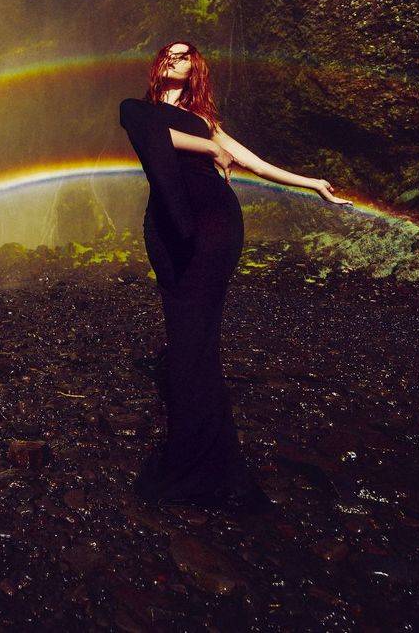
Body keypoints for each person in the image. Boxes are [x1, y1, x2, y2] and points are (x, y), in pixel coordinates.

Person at [118, 40, 353, 513]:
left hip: (214, 223)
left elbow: (257, 164)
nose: (176, 59)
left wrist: (314, 185)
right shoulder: (138, 111)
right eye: (170, 53)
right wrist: (208, 147)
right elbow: (150, 134)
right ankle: (201, 454)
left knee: (196, 340)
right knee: (185, 336)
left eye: (186, 56)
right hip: (168, 224)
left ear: (196, 69)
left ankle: (204, 462)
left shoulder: (207, 120)